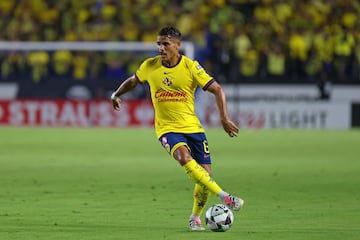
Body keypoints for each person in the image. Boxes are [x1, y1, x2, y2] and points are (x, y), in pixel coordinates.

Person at [111, 26, 244, 231]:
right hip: (167, 129)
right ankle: (225, 197)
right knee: (183, 158)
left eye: (166, 44)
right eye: (159, 44)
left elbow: (217, 90)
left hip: (193, 127)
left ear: (177, 45)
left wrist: (224, 118)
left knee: (205, 177)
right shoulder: (150, 65)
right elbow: (133, 81)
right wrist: (116, 94)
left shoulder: (191, 67)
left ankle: (195, 217)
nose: (161, 48)